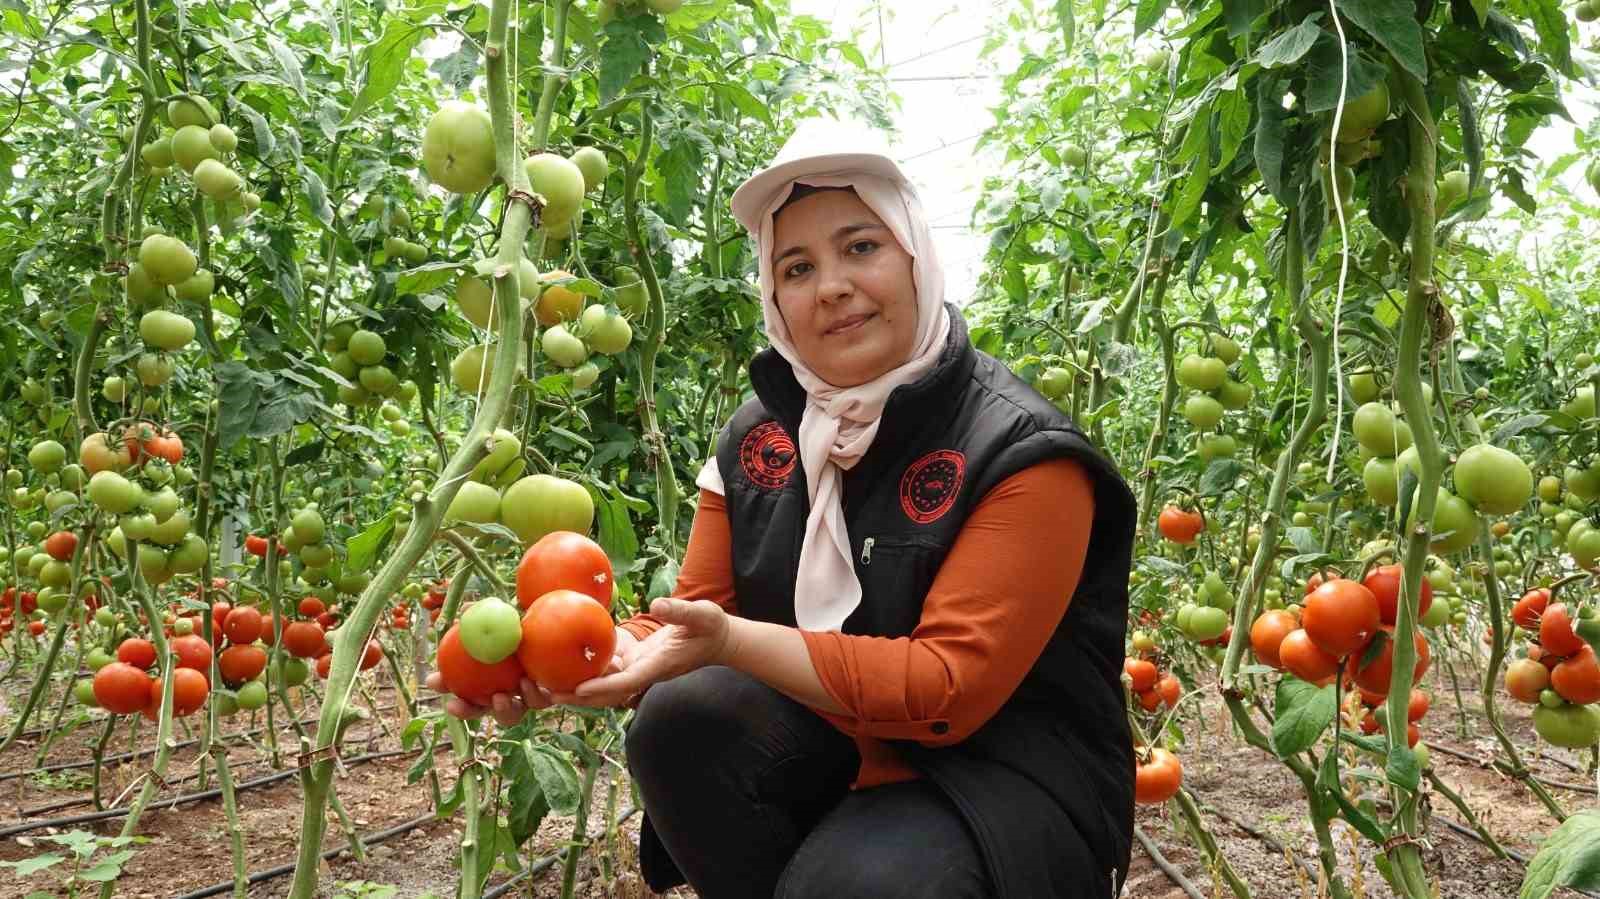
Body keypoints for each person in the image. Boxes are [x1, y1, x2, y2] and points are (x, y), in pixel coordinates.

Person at [428, 119, 1138, 898]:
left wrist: (730, 641)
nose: (830, 284)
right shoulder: (760, 436)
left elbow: (947, 688)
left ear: (915, 257)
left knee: (859, 885)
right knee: (678, 719)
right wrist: (587, 654)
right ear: (774, 296)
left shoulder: (1024, 451)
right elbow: (697, 613)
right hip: (841, 740)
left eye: (861, 247)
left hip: (1006, 776)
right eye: (796, 266)